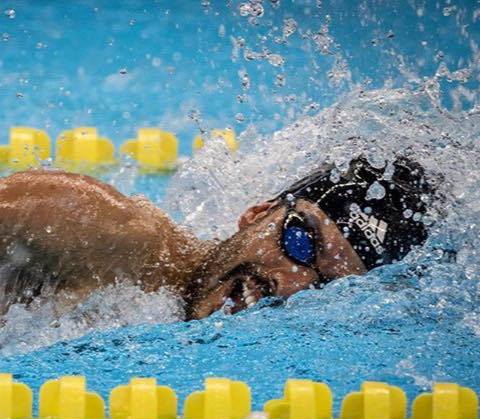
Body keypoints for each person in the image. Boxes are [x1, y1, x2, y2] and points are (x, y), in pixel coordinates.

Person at [0, 156, 434, 320]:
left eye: (325, 285)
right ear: (257, 214)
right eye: (300, 242)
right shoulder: (100, 228)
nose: (293, 283)